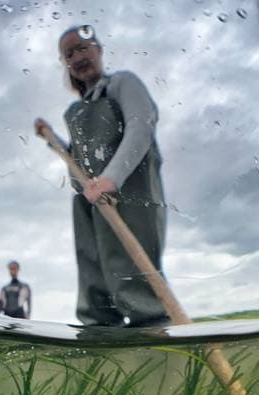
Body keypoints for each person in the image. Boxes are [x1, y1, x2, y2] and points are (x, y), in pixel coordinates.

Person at [34, 24, 167, 327]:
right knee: (96, 286)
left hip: (131, 195)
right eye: (69, 53)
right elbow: (79, 171)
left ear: (98, 50)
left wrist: (112, 179)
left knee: (135, 282)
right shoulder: (76, 111)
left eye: (83, 47)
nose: (78, 56)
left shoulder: (122, 84)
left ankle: (158, 348)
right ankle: (102, 345)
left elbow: (141, 127)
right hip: (91, 204)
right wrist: (54, 139)